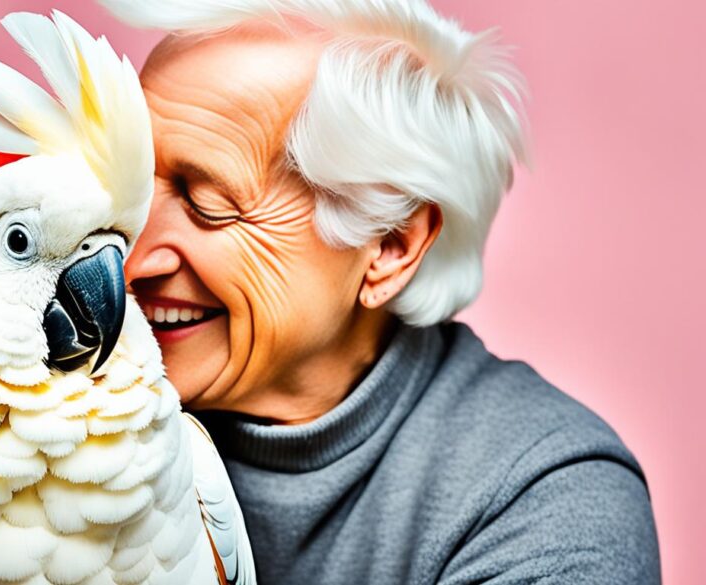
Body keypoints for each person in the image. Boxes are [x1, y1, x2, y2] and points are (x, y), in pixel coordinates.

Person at [101, 0, 662, 583]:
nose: (129, 258)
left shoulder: (542, 497)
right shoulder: (45, 412)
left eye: (207, 202)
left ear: (389, 246)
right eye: (133, 189)